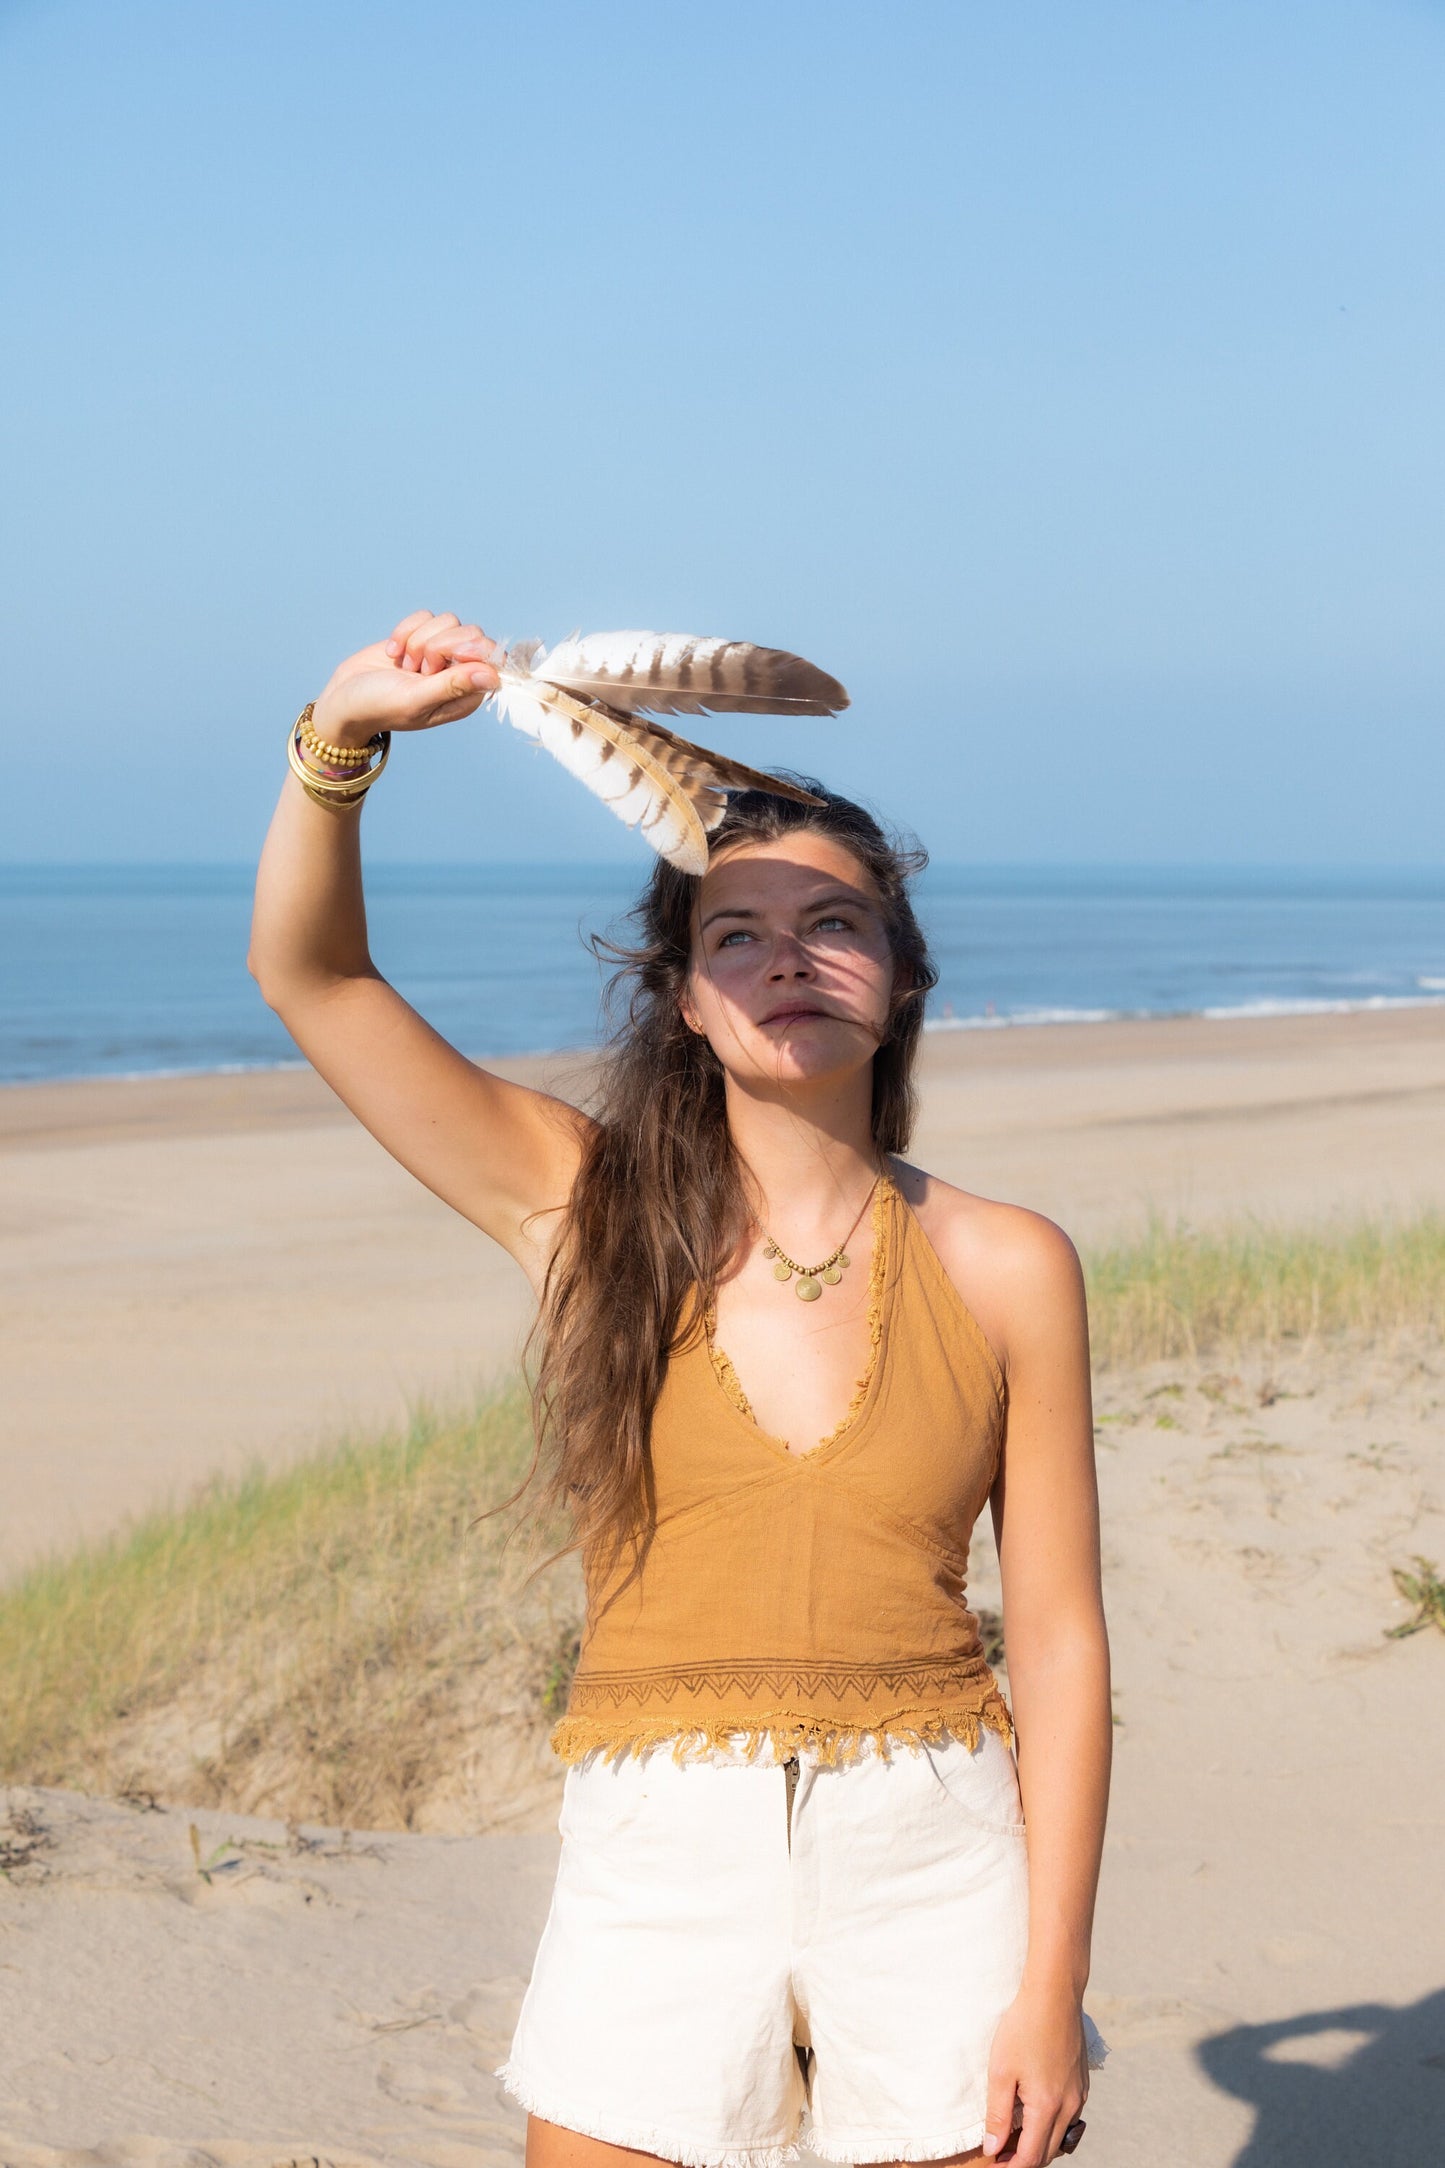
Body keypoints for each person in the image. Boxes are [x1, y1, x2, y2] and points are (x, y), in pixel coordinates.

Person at [249, 609, 1112, 2168]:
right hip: (660, 1844)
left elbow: (1053, 1637)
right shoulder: (580, 1210)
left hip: (930, 1848)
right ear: (682, 994)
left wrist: (1049, 1984)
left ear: (900, 978)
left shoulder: (1003, 1263)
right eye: (738, 934)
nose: (789, 958)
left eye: (835, 926)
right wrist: (342, 740)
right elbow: (311, 979)